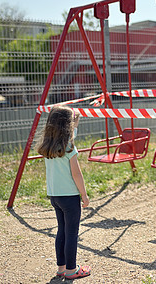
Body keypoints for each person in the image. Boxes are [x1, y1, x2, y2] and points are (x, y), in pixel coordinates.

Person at [36, 106, 91, 280]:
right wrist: (84, 194)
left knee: (62, 231)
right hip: (70, 198)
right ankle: (71, 270)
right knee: (72, 233)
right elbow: (77, 174)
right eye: (74, 123)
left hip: (55, 196)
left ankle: (61, 268)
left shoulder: (47, 147)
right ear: (67, 126)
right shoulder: (69, 148)